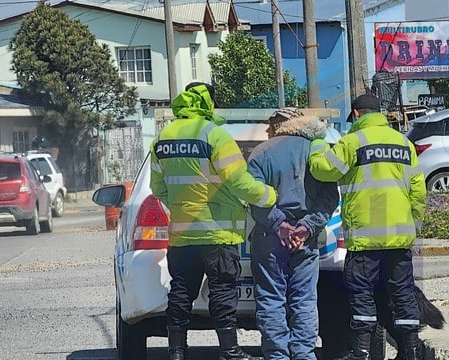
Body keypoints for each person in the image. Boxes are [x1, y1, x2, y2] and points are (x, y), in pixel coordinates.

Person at [150, 82, 277, 360]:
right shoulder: (215, 136)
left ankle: (176, 352)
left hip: (182, 235)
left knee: (180, 293)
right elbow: (239, 181)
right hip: (218, 233)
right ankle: (230, 351)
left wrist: (183, 207)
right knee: (222, 292)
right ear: (209, 103)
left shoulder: (162, 137)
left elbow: (157, 187)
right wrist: (268, 196)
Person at [308, 94, 427, 360]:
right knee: (402, 293)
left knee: (362, 295)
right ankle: (412, 351)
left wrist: (316, 144)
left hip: (364, 240)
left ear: (357, 114)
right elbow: (418, 191)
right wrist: (413, 226)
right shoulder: (403, 143)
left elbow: (323, 169)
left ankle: (361, 352)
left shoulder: (352, 142)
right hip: (399, 237)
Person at [246, 108, 339, 359]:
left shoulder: (260, 153)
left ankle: (277, 355)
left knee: (271, 299)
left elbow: (253, 198)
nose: (267, 130)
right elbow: (329, 197)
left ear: (278, 126)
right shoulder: (316, 150)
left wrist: (280, 225)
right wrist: (307, 226)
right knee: (304, 300)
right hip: (305, 239)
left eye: (270, 125)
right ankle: (304, 354)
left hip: (269, 237)